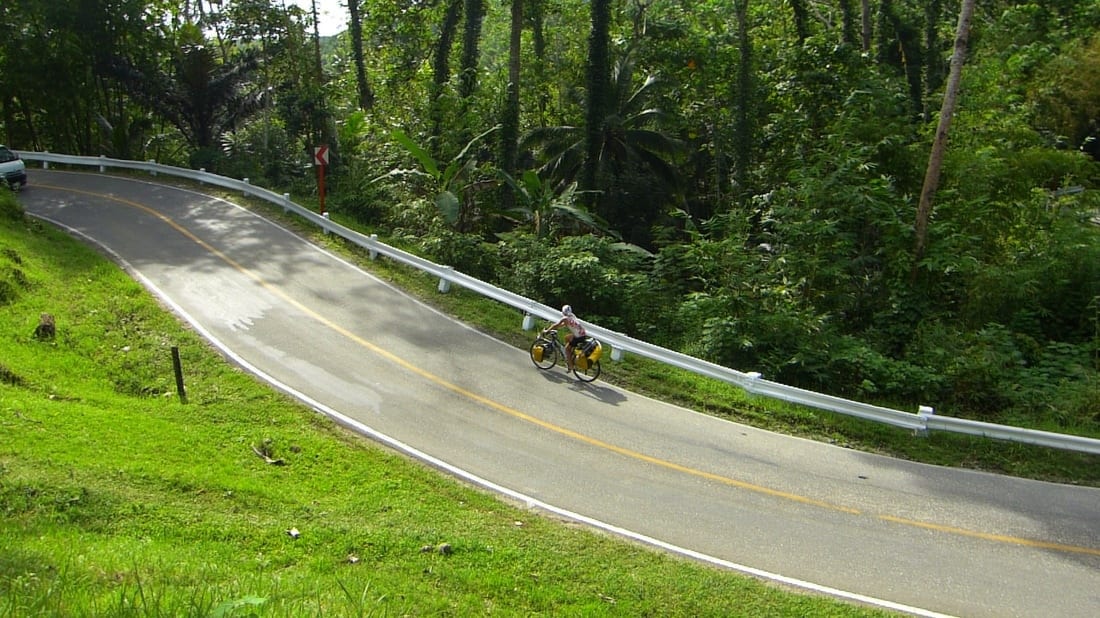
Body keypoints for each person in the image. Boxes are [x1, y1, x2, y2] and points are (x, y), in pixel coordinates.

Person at [545, 305, 590, 372]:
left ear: (563, 312)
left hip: (578, 337)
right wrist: (557, 327)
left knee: (566, 349)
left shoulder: (565, 318)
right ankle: (570, 354)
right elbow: (563, 325)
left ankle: (570, 365)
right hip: (582, 335)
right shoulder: (572, 316)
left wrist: (547, 331)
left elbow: (556, 325)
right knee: (567, 337)